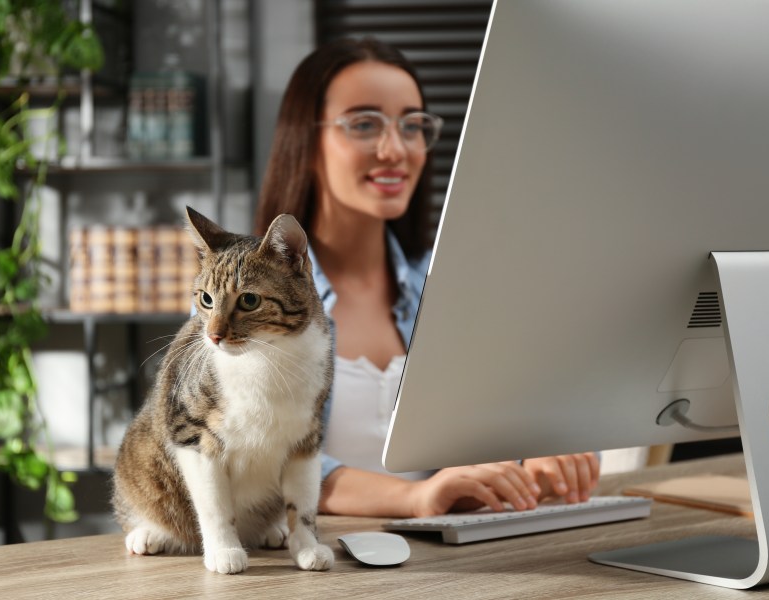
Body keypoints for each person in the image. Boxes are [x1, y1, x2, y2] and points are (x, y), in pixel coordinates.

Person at [254, 37, 600, 518]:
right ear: (305, 142)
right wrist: (413, 498)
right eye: (364, 124)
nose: (395, 149)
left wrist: (540, 456)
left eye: (412, 126)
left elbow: (521, 408)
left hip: (451, 569)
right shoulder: (244, 299)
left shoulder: (449, 285)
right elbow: (258, 460)